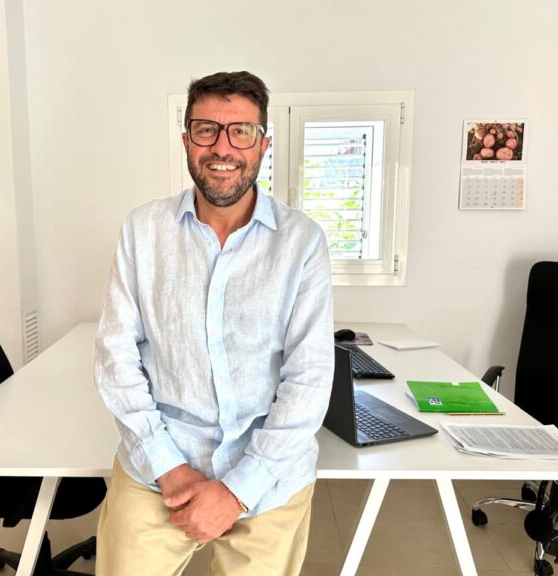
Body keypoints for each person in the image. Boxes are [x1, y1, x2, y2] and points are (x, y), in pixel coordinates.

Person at [94, 70, 333, 576]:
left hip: (268, 477)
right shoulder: (143, 231)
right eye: (206, 129)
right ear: (186, 140)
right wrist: (168, 466)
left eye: (241, 131)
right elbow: (116, 356)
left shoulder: (302, 242)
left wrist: (237, 490)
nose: (222, 147)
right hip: (158, 468)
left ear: (263, 145)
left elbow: (309, 379)